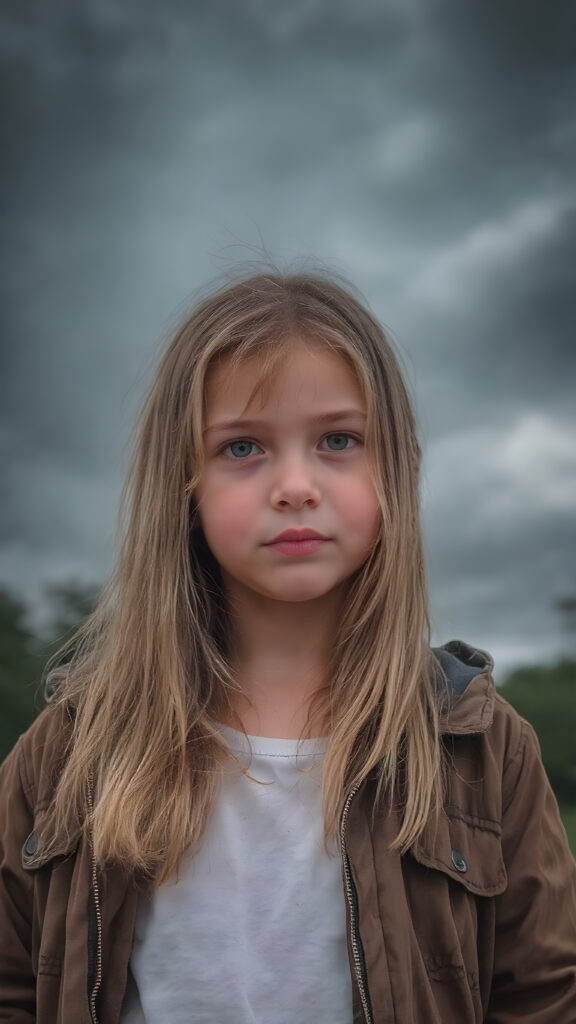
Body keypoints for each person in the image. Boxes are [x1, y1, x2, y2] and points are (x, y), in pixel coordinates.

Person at [1, 272, 575, 1024]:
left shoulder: (486, 750)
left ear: (396, 468)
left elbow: (543, 1000)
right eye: (242, 446)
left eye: (338, 440)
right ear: (185, 483)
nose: (296, 485)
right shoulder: (70, 750)